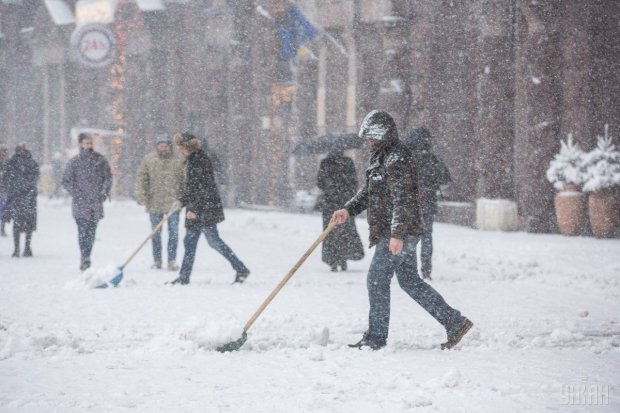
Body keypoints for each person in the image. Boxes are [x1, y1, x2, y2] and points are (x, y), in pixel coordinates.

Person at [331, 110, 473, 350]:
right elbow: (369, 192)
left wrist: (397, 235)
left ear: (383, 135)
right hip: (397, 230)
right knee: (409, 281)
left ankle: (375, 338)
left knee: (377, 280)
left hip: (399, 231)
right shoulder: (381, 158)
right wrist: (348, 209)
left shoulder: (398, 159)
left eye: (372, 137)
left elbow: (403, 199)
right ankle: (454, 322)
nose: (369, 142)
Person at [168, 132, 250, 285]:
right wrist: (181, 200)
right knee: (190, 242)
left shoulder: (199, 161)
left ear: (187, 147)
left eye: (181, 147)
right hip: (199, 209)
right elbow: (192, 188)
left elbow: (203, 189)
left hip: (205, 210)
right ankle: (184, 277)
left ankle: (241, 269)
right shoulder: (193, 160)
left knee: (214, 242)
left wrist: (194, 210)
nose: (179, 150)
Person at [404, 127, 452, 280]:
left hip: (410, 204)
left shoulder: (407, 159)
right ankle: (426, 270)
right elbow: (445, 179)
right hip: (428, 203)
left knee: (411, 238)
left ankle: (410, 270)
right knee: (426, 238)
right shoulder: (433, 159)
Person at [135, 132, 186, 271]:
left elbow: (185, 180)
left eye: (166, 146)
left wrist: (183, 198)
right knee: (155, 234)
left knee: (173, 233)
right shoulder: (149, 159)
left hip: (173, 203)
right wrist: (142, 195)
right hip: (155, 202)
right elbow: (141, 178)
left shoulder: (179, 160)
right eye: (161, 146)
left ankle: (171, 260)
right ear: (157, 146)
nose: (163, 148)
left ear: (170, 146)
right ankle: (157, 260)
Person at [62, 133, 112, 271]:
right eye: (86, 143)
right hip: (80, 204)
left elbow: (108, 177)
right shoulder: (74, 162)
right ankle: (84, 258)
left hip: (95, 203)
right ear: (80, 144)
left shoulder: (100, 160)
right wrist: (76, 193)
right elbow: (66, 181)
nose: (89, 146)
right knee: (82, 231)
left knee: (91, 233)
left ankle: (87, 255)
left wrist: (103, 192)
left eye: (90, 143)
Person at [316, 150, 364, 271]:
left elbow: (319, 183)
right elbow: (354, 182)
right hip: (345, 203)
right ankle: (343, 259)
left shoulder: (325, 163)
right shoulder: (348, 162)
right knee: (345, 231)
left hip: (330, 203)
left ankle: (333, 260)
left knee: (330, 231)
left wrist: (330, 188)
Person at [2, 144, 39, 257]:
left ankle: (16, 249)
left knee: (16, 223)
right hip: (29, 197)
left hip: (15, 196)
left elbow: (5, 179)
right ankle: (27, 248)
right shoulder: (32, 163)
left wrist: (11, 189)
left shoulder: (11, 162)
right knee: (29, 223)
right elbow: (35, 178)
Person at [0, 144, 8, 237]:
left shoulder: (6, 164)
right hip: (3, 190)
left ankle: (2, 228)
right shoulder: (6, 164)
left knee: (3, 210)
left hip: (3, 190)